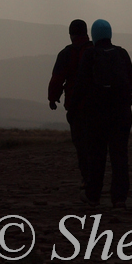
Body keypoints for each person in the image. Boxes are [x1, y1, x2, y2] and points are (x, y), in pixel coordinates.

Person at [76, 19, 132, 207]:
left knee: (96, 156)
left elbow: (81, 84)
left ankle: (93, 195)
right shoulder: (122, 53)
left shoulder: (90, 54)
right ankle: (119, 198)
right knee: (120, 156)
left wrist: (77, 108)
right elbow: (131, 80)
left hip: (96, 114)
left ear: (94, 35)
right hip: (122, 113)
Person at [47, 19, 92, 185]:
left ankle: (88, 179)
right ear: (86, 32)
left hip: (76, 106)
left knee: (81, 145)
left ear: (71, 34)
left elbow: (57, 79)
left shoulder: (66, 54)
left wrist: (53, 98)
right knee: (96, 145)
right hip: (99, 107)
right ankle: (96, 179)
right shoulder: (96, 51)